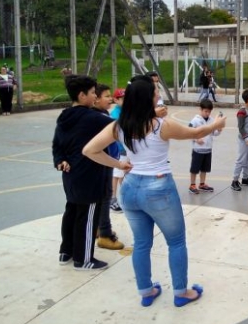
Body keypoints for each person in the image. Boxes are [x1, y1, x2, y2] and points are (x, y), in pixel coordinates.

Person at [83, 75, 226, 307]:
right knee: (176, 242)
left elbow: (89, 150)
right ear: (148, 98)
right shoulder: (161, 126)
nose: (159, 95)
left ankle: (146, 291)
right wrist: (216, 125)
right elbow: (195, 133)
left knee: (141, 244)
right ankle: (181, 292)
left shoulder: (118, 126)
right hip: (159, 187)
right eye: (155, 92)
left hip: (130, 189)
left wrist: (119, 165)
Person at [52, 75, 114, 270]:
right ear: (81, 95)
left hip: (70, 175)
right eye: (93, 93)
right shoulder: (93, 118)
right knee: (87, 217)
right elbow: (120, 127)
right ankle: (84, 258)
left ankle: (66, 252)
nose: (95, 96)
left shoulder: (64, 117)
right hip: (89, 176)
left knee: (71, 212)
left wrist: (59, 161)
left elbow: (57, 145)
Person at [92, 84, 125, 251]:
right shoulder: (98, 118)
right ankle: (105, 234)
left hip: (108, 161)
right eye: (106, 96)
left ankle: (99, 228)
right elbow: (120, 127)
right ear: (95, 98)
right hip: (102, 164)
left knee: (103, 197)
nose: (110, 99)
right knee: (104, 197)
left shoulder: (103, 114)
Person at [188, 99, 222, 194]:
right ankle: (192, 184)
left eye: (209, 111)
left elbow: (214, 133)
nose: (207, 113)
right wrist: (196, 139)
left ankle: (202, 184)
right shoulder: (195, 120)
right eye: (205, 111)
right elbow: (189, 131)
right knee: (194, 168)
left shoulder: (211, 120)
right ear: (201, 109)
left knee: (204, 168)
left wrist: (219, 130)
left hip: (208, 149)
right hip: (198, 149)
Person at [231, 89, 248, 191]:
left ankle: (245, 178)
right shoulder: (242, 111)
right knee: (241, 160)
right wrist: (246, 138)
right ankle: (235, 180)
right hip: (244, 140)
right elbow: (241, 127)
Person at [109, 88, 126, 213]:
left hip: (126, 149)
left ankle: (123, 197)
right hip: (119, 150)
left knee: (122, 174)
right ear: (116, 99)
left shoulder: (126, 112)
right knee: (117, 174)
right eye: (122, 99)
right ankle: (112, 198)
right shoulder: (115, 115)